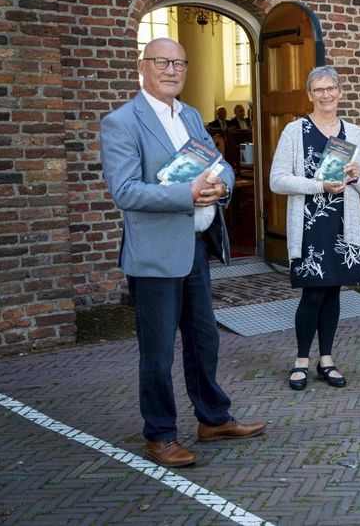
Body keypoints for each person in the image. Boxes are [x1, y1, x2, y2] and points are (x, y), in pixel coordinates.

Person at [100, 38, 265, 468]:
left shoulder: (190, 114)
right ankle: (160, 435)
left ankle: (213, 418)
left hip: (196, 247)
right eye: (163, 62)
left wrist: (222, 184)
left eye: (180, 63)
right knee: (157, 350)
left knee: (204, 339)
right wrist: (187, 192)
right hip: (154, 254)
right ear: (143, 66)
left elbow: (219, 162)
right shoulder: (122, 122)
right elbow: (125, 190)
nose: (173, 70)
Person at [270, 66, 360, 391]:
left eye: (331, 88)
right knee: (312, 294)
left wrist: (356, 176)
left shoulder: (354, 133)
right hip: (310, 225)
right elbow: (277, 180)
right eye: (319, 89)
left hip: (344, 227)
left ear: (340, 92)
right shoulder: (294, 131)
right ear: (310, 94)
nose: (326, 94)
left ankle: (326, 359)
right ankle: (301, 360)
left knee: (332, 293)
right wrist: (318, 185)